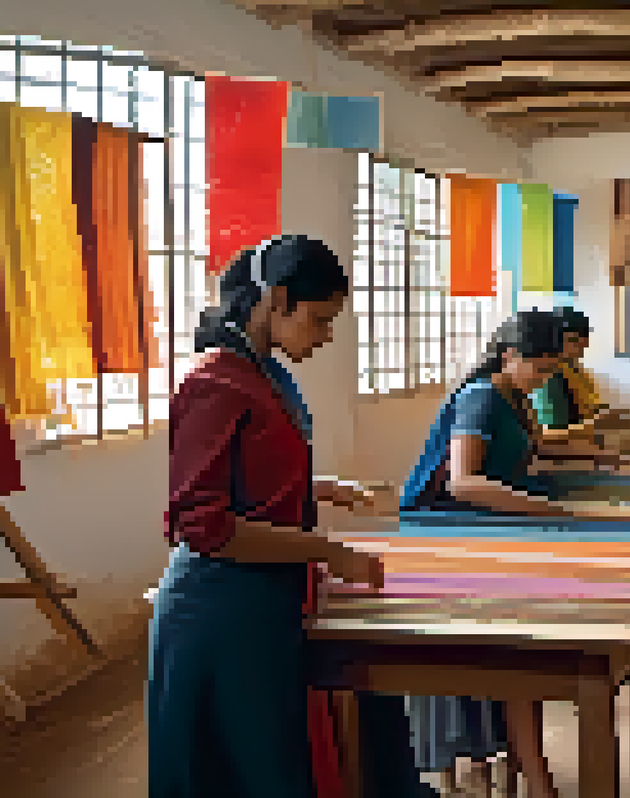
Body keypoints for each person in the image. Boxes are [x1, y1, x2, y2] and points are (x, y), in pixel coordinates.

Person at [152, 235, 429, 798]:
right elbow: (207, 526)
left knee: (279, 760)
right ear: (277, 301)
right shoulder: (215, 382)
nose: (325, 337)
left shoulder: (262, 373)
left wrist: (324, 488)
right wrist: (329, 551)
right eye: (320, 320)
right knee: (242, 770)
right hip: (222, 612)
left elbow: (249, 477)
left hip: (267, 600)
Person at [399, 310, 574, 798]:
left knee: (521, 648)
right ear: (509, 355)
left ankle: (520, 764)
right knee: (513, 647)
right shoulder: (480, 398)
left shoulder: (514, 397)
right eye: (539, 369)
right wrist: (545, 510)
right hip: (448, 534)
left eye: (550, 372)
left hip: (486, 527)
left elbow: (524, 460)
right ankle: (524, 771)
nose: (544, 380)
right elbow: (464, 482)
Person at [531, 307, 630, 456]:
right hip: (566, 443)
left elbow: (594, 408)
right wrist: (596, 426)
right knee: (627, 440)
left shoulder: (575, 369)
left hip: (582, 432)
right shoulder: (550, 377)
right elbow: (547, 435)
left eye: (584, 338)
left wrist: (609, 415)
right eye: (573, 340)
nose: (581, 345)